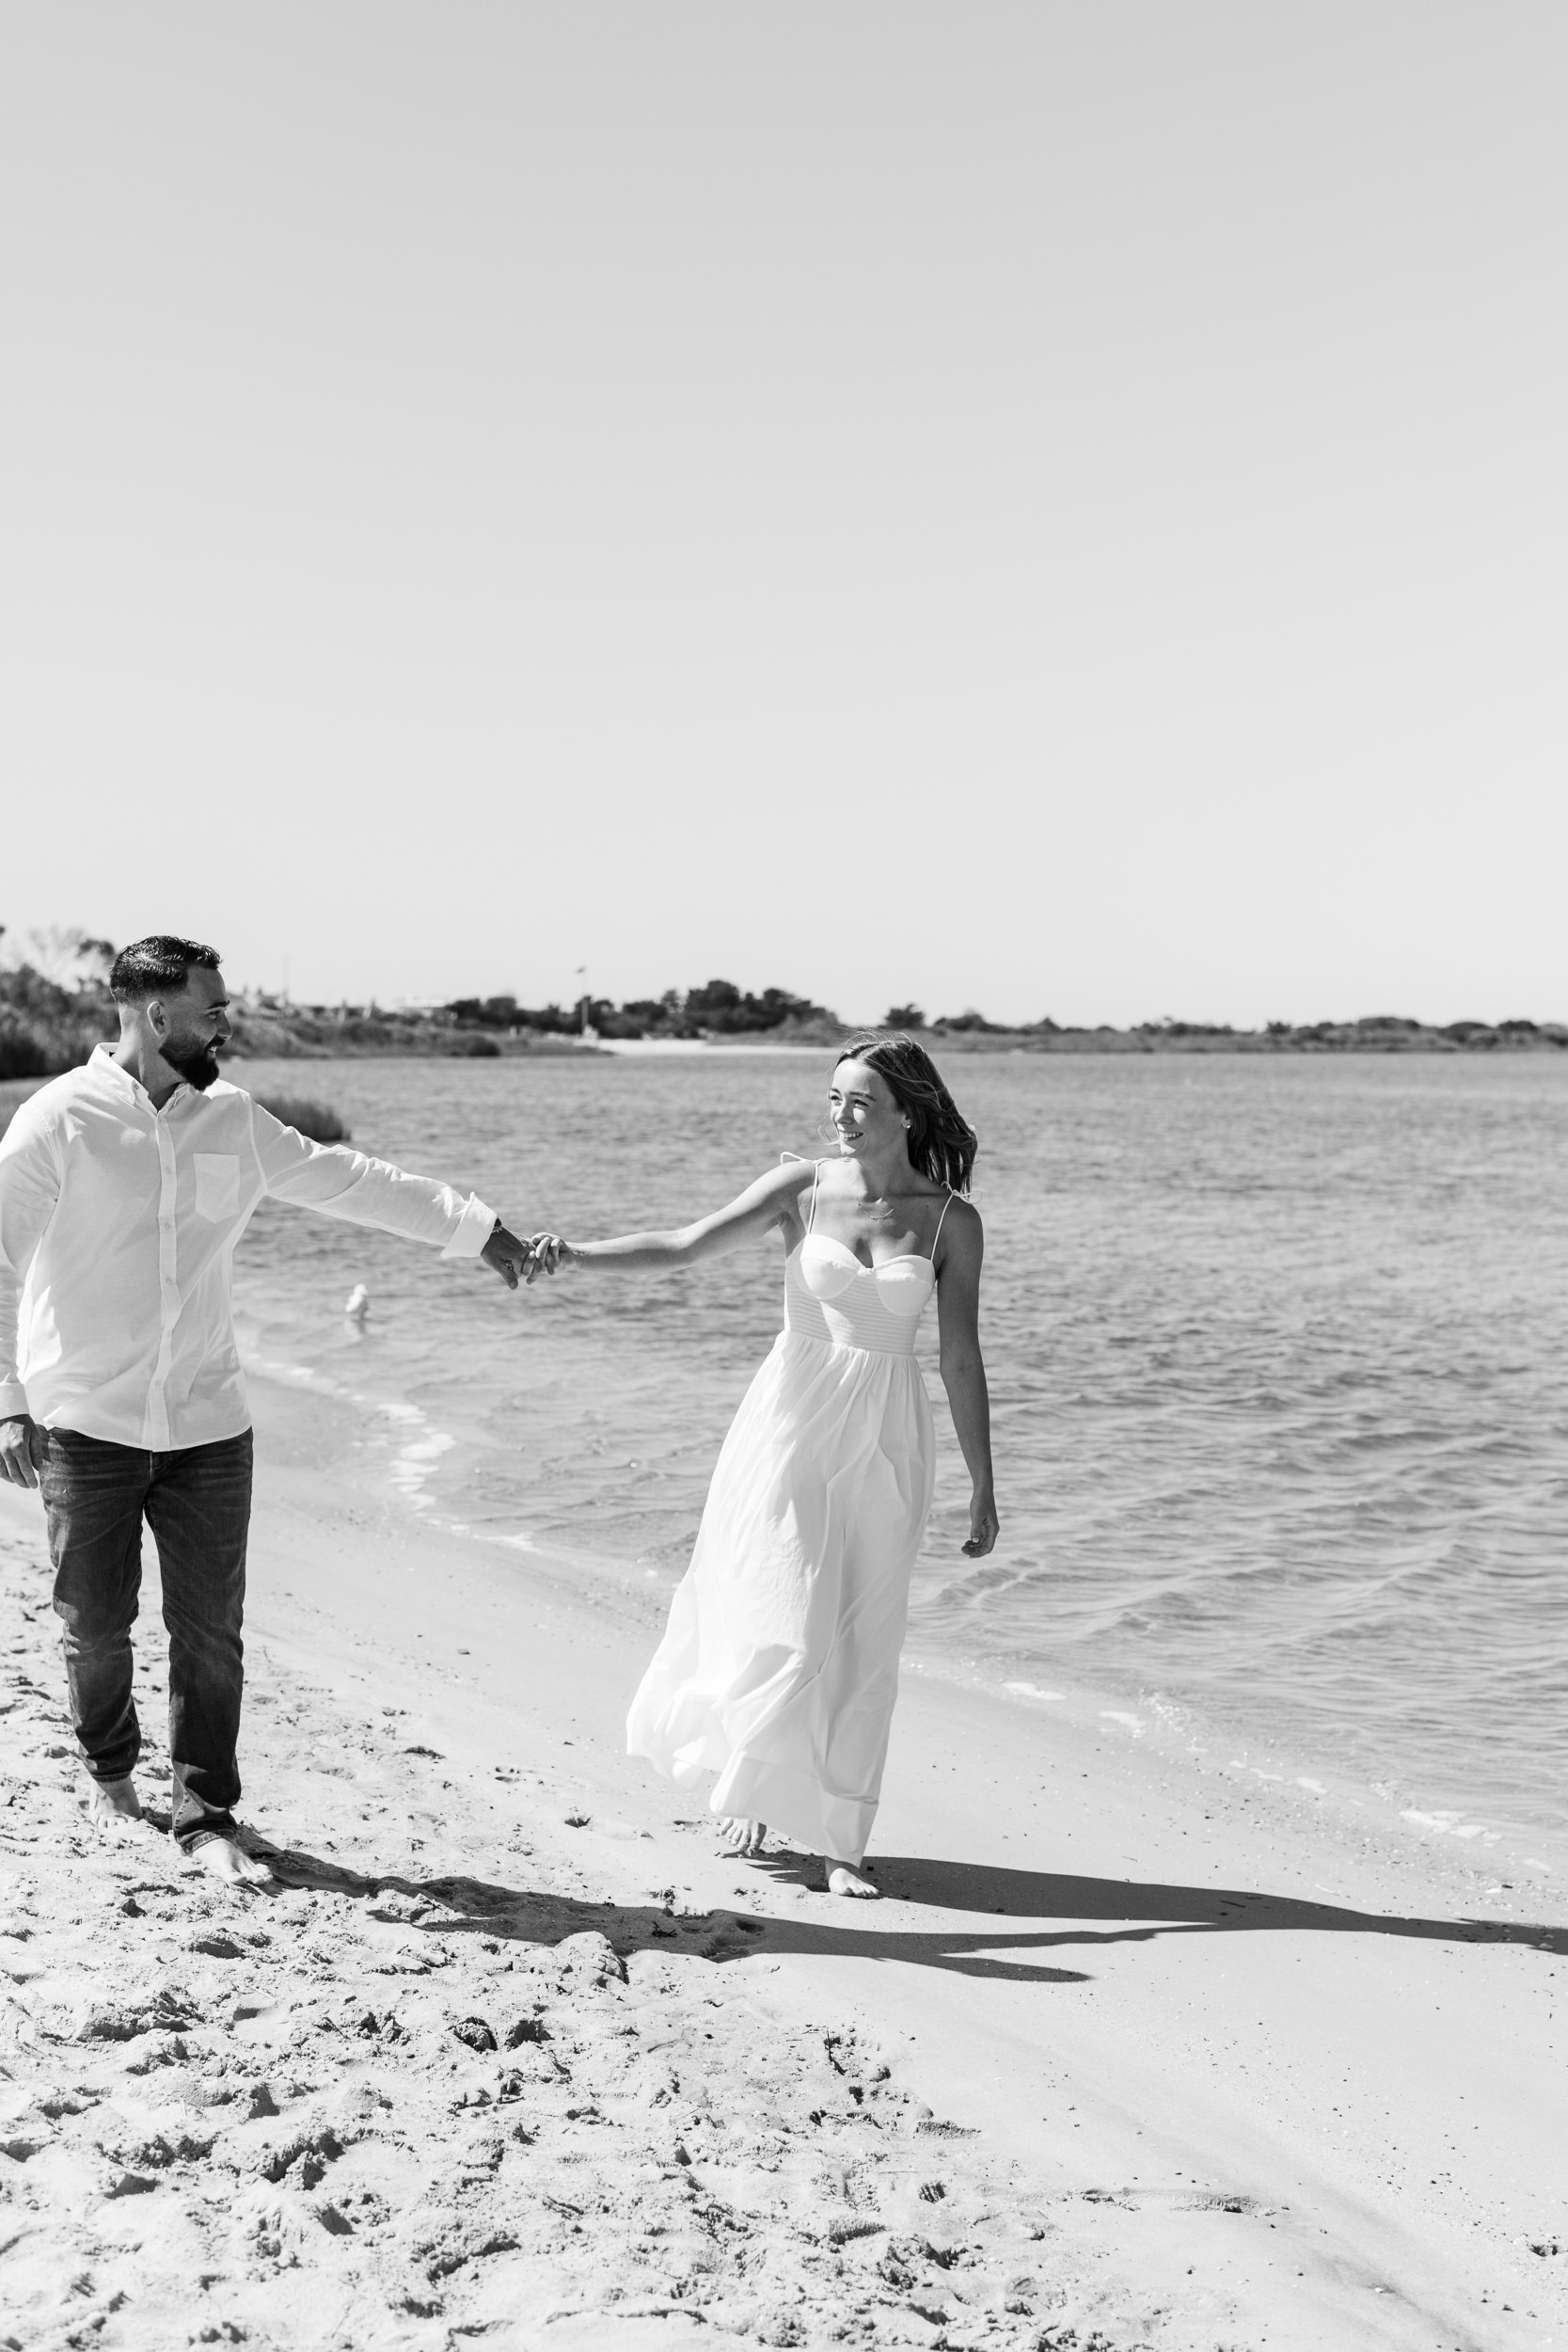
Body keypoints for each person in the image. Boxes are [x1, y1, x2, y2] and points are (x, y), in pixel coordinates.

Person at [0, 935, 541, 1886]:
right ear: (155, 1015)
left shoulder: (235, 1122)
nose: (225, 1023)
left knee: (210, 1632)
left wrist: (474, 1228)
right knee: (96, 1623)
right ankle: (112, 1768)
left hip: (209, 1423)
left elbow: (351, 1180)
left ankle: (206, 1811)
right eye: (211, 1008)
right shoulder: (60, 1119)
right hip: (85, 1420)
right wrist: (7, 1406)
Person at [543, 1034, 996, 1897]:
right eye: (835, 1099)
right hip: (790, 1424)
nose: (841, 1115)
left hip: (889, 1436)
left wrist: (983, 1481)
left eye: (861, 1100)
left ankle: (840, 1843)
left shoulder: (949, 1221)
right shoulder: (802, 1188)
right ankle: (754, 1772)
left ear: (909, 1108)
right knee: (781, 1616)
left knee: (864, 1637)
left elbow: (962, 1358)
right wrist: (577, 1255)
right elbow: (686, 1245)